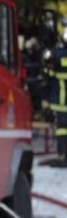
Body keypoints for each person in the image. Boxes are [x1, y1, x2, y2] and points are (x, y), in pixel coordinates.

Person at [45, 31, 67, 166]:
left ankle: (61, 155)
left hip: (59, 100)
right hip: (60, 100)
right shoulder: (56, 53)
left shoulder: (56, 54)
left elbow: (49, 75)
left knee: (61, 129)